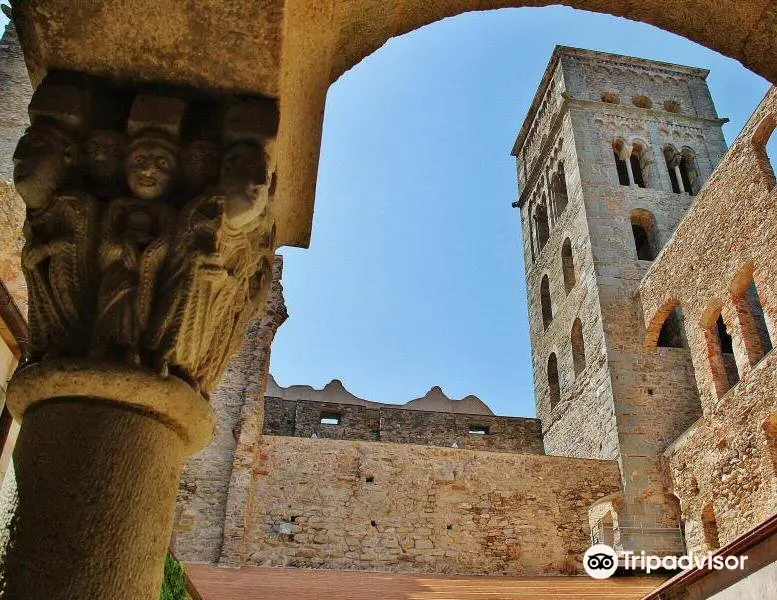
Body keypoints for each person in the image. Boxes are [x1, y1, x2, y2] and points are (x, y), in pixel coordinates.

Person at [14, 120, 98, 360]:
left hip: (74, 291)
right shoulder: (35, 215)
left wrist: (44, 250)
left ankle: (72, 343)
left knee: (61, 275)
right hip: (48, 290)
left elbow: (77, 243)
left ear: (69, 155)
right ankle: (55, 343)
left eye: (37, 145)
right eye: (23, 146)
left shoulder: (76, 204)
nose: (19, 157)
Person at [93, 130, 178, 362]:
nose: (148, 170)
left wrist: (146, 252)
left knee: (140, 313)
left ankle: (131, 347)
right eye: (139, 162)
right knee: (110, 309)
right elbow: (104, 247)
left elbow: (166, 246)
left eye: (162, 163)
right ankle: (102, 344)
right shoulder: (118, 206)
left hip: (146, 274)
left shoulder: (167, 212)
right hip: (115, 272)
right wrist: (124, 246)